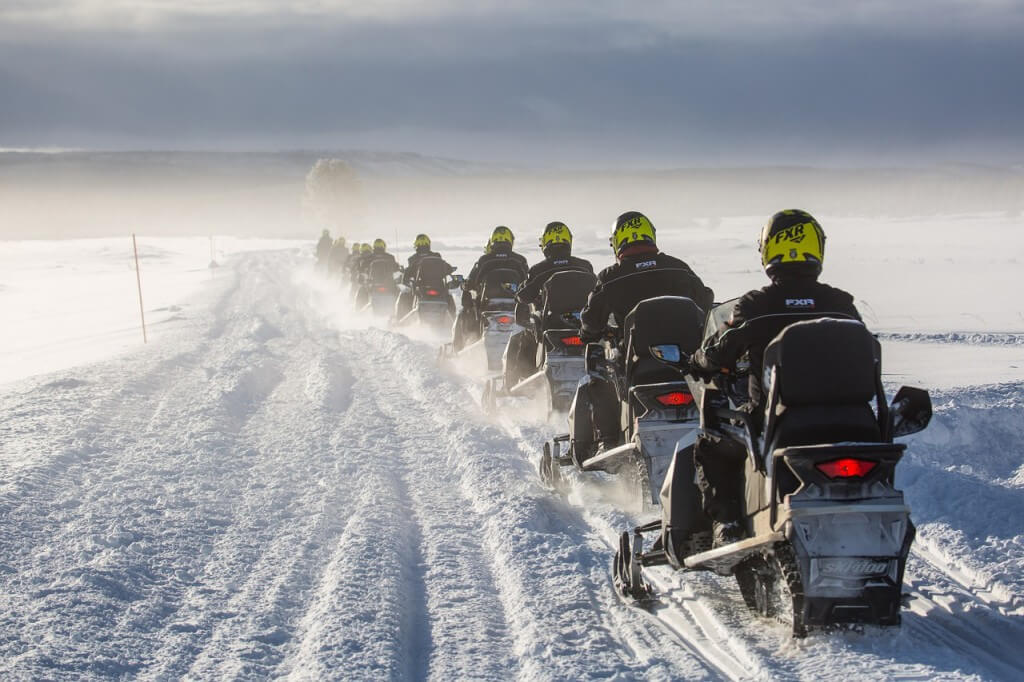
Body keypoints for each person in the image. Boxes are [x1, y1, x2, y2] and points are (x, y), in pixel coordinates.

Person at [690, 209, 862, 546]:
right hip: (852, 424)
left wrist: (698, 360)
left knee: (711, 444)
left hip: (778, 421)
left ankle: (728, 523)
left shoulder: (758, 304)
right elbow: (866, 352)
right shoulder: (841, 303)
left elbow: (720, 350)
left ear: (769, 250)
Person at [575, 211, 714, 455]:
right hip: (687, 364)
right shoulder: (679, 268)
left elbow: (590, 320)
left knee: (599, 374)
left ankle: (608, 440)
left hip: (636, 365)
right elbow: (705, 300)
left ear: (618, 241)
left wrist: (591, 333)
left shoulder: (610, 277)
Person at [504, 221, 594, 385]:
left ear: (545, 243)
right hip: (584, 327)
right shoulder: (585, 266)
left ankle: (516, 382)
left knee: (522, 336)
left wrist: (519, 295)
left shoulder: (539, 270)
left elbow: (524, 296)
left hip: (552, 327)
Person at [453, 226, 529, 350]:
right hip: (515, 307)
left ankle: (458, 349)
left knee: (464, 314)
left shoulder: (484, 260)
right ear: (510, 241)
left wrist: (465, 285)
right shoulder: (520, 260)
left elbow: (471, 282)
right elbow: (527, 283)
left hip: (488, 306)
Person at [396, 234, 456, 321]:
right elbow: (448, 268)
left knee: (405, 295)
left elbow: (408, 273)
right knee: (449, 298)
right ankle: (454, 322)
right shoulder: (437, 256)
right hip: (439, 288)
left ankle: (400, 321)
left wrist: (406, 280)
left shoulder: (413, 259)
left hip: (422, 288)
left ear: (416, 245)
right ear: (428, 244)